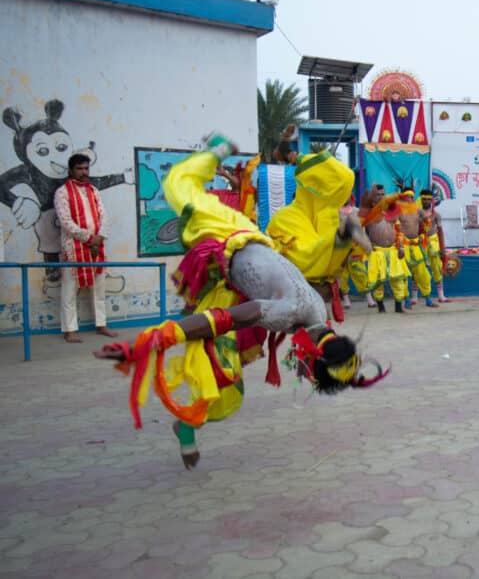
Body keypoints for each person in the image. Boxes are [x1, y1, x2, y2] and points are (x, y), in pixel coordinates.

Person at [93, 135, 381, 469]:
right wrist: (162, 336)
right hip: (224, 239)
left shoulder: (316, 312)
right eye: (307, 372)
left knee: (227, 386)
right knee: (178, 187)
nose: (301, 373)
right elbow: (223, 318)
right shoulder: (289, 311)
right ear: (310, 352)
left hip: (243, 268)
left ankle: (187, 425)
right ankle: (216, 150)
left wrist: (345, 238)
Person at [266, 148, 357, 322]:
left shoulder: (327, 217)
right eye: (327, 189)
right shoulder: (285, 219)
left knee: (323, 341)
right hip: (299, 305)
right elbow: (306, 257)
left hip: (322, 301)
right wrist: (338, 239)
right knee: (313, 342)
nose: (333, 196)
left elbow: (346, 177)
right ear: (312, 187)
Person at [54, 153, 117, 343]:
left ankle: (101, 324)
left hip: (96, 247)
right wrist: (89, 238)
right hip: (73, 248)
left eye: (86, 168)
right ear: (71, 170)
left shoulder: (94, 191)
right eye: (80, 169)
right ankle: (70, 330)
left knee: (99, 288)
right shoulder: (62, 192)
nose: (84, 172)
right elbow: (66, 222)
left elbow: (104, 216)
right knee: (69, 290)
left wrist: (99, 237)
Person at [362, 186, 412, 313]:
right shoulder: (368, 213)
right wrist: (367, 243)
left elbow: (399, 231)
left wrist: (400, 246)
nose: (381, 196)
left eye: (383, 194)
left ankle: (398, 307)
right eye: (378, 194)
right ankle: (381, 307)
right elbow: (359, 231)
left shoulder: (392, 211)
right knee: (379, 282)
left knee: (398, 280)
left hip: (393, 250)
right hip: (377, 251)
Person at [395, 187, 435, 308]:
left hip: (416, 245)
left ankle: (428, 298)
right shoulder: (399, 211)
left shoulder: (418, 210)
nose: (411, 199)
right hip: (404, 246)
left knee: (423, 273)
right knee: (405, 275)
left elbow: (428, 220)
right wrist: (400, 246)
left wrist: (426, 227)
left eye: (412, 197)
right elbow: (396, 230)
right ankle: (406, 300)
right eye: (408, 196)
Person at [420, 189, 451, 302]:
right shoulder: (417, 214)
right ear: (421, 200)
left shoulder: (436, 215)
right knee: (418, 270)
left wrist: (443, 248)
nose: (427, 201)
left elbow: (440, 232)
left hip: (433, 245)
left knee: (437, 269)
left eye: (429, 199)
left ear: (432, 200)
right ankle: (414, 297)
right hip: (420, 245)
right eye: (424, 199)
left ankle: (441, 296)